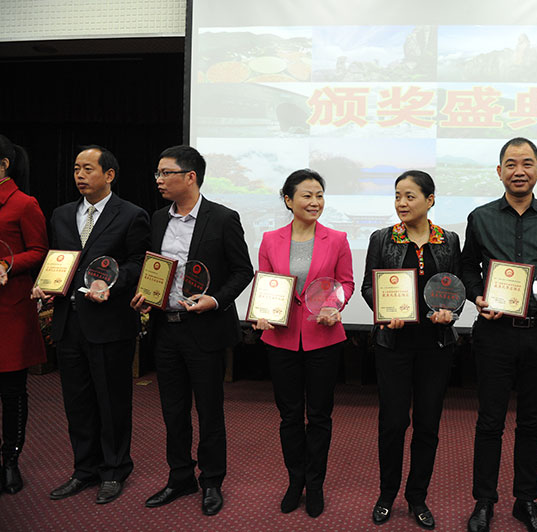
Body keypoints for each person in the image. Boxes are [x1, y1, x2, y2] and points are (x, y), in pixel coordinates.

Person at [131, 145, 253, 516]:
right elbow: (154, 268)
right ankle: (180, 476)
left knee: (209, 411)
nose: (158, 180)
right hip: (166, 329)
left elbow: (242, 271)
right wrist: (144, 293)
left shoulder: (222, 217)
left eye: (165, 173)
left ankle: (212, 481)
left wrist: (215, 300)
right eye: (157, 173)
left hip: (205, 328)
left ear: (190, 177)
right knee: (173, 410)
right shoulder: (156, 219)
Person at [462, 138, 537, 532]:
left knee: (533, 422)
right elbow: (467, 268)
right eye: (510, 164)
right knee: (489, 421)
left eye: (527, 163)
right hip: (494, 333)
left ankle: (526, 501)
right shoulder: (479, 217)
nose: (519, 171)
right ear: (499, 172)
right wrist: (477, 294)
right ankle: (484, 502)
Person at [33, 145, 149, 504]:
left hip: (111, 323)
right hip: (70, 323)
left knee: (112, 400)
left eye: (88, 169)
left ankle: (114, 470)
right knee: (77, 402)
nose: (80, 175)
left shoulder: (131, 214)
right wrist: (46, 283)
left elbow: (137, 263)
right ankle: (84, 470)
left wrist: (109, 282)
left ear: (109, 175)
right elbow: (60, 261)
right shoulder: (63, 214)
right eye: (76, 169)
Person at [362, 170, 462, 530]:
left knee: (427, 425)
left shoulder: (449, 240)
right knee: (392, 423)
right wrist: (386, 314)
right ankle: (387, 494)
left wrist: (452, 313)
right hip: (393, 344)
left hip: (435, 346)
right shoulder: (381, 238)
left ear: (430, 200)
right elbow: (369, 288)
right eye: (397, 196)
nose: (402, 203)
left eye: (410, 196)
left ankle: (417, 496)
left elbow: (456, 288)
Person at [253, 169, 354, 518]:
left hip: (323, 337)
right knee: (290, 416)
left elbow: (346, 284)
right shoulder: (270, 239)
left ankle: (316, 483)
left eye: (320, 195)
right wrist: (261, 313)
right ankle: (295, 481)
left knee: (320, 416)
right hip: (280, 338)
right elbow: (266, 285)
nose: (315, 202)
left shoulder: (337, 239)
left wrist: (334, 306)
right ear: (288, 200)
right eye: (307, 195)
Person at [0, 135, 48, 495]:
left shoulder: (24, 203)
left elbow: (39, 251)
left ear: (3, 166)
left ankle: (10, 461)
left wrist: (7, 263)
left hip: (10, 309)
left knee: (12, 391)